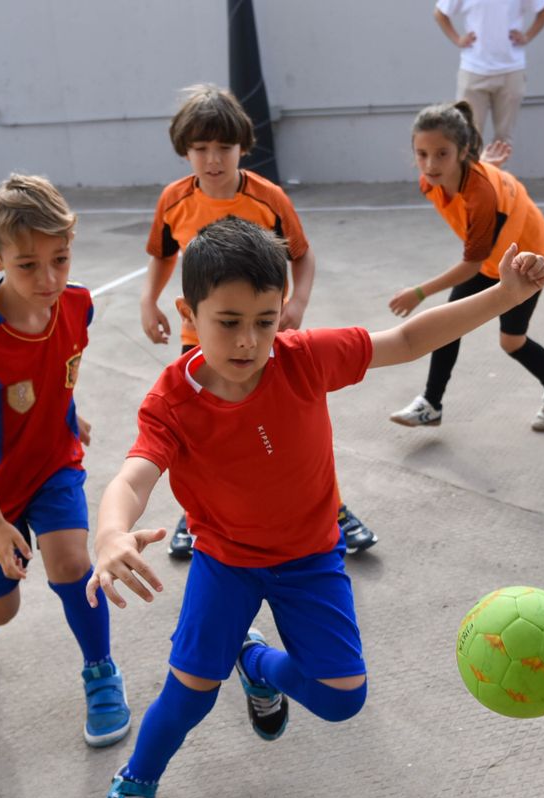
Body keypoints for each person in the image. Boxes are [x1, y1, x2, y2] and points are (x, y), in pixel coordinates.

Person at [85, 217, 544, 798]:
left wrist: (504, 295)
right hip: (227, 561)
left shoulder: (302, 359)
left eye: (265, 319)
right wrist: (111, 533)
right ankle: (136, 779)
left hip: (310, 557)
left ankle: (253, 661)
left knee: (341, 699)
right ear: (188, 312)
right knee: (188, 696)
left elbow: (410, 338)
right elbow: (134, 478)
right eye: (228, 322)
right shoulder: (172, 401)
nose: (250, 340)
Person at [138, 84, 378, 557]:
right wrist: (150, 300)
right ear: (184, 150)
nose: (212, 159)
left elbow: (303, 258)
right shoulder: (174, 200)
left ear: (242, 147)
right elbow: (163, 254)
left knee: (292, 439)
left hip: (262, 340)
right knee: (205, 438)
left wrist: (298, 304)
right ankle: (195, 517)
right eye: (200, 148)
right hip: (202, 338)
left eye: (223, 147)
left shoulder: (267, 199)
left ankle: (334, 510)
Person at [0, 174, 130, 748]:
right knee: (0, 614)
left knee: (73, 563)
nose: (49, 279)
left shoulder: (77, 306)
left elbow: (57, 367)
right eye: (27, 265)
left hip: (53, 462)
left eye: (61, 259)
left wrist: (68, 413)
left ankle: (100, 673)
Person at [387, 101, 544, 433]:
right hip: (492, 256)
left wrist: (418, 293)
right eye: (422, 154)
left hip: (525, 257)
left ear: (462, 152)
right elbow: (473, 186)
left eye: (442, 153)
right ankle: (431, 405)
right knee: (449, 326)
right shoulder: (433, 180)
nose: (430, 164)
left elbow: (470, 264)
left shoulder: (480, 195)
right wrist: (485, 167)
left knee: (512, 342)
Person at [433, 0, 544, 148]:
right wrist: (457, 39)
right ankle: (471, 171)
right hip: (474, 70)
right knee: (469, 137)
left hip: (510, 70)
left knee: (503, 140)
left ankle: (496, 171)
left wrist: (527, 36)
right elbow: (440, 12)